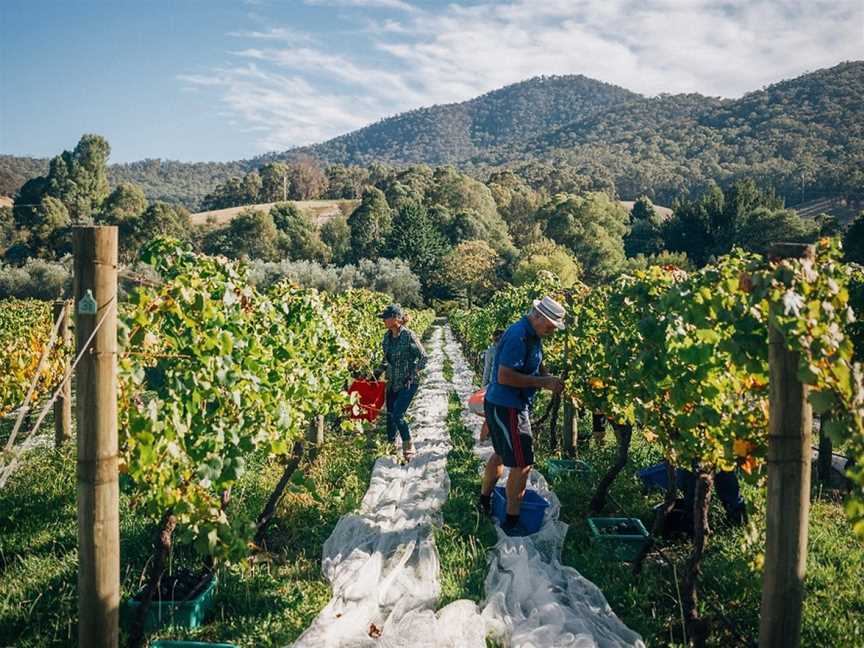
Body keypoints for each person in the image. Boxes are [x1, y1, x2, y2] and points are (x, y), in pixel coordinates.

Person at [478, 296, 566, 534]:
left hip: (504, 404)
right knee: (523, 464)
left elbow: (535, 365)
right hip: (510, 408)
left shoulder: (531, 334)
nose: (551, 331)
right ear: (537, 317)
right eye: (549, 326)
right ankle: (512, 521)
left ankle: (484, 502)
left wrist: (548, 377)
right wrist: (543, 383)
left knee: (499, 453)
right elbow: (505, 376)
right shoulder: (519, 335)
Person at [376, 303, 427, 461]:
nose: (383, 320)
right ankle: (390, 445)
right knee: (390, 416)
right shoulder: (387, 337)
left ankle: (408, 444)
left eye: (386, 318)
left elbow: (423, 357)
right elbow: (386, 361)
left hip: (408, 382)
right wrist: (375, 374)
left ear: (396, 319)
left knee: (398, 415)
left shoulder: (408, 335)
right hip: (393, 382)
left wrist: (413, 373)